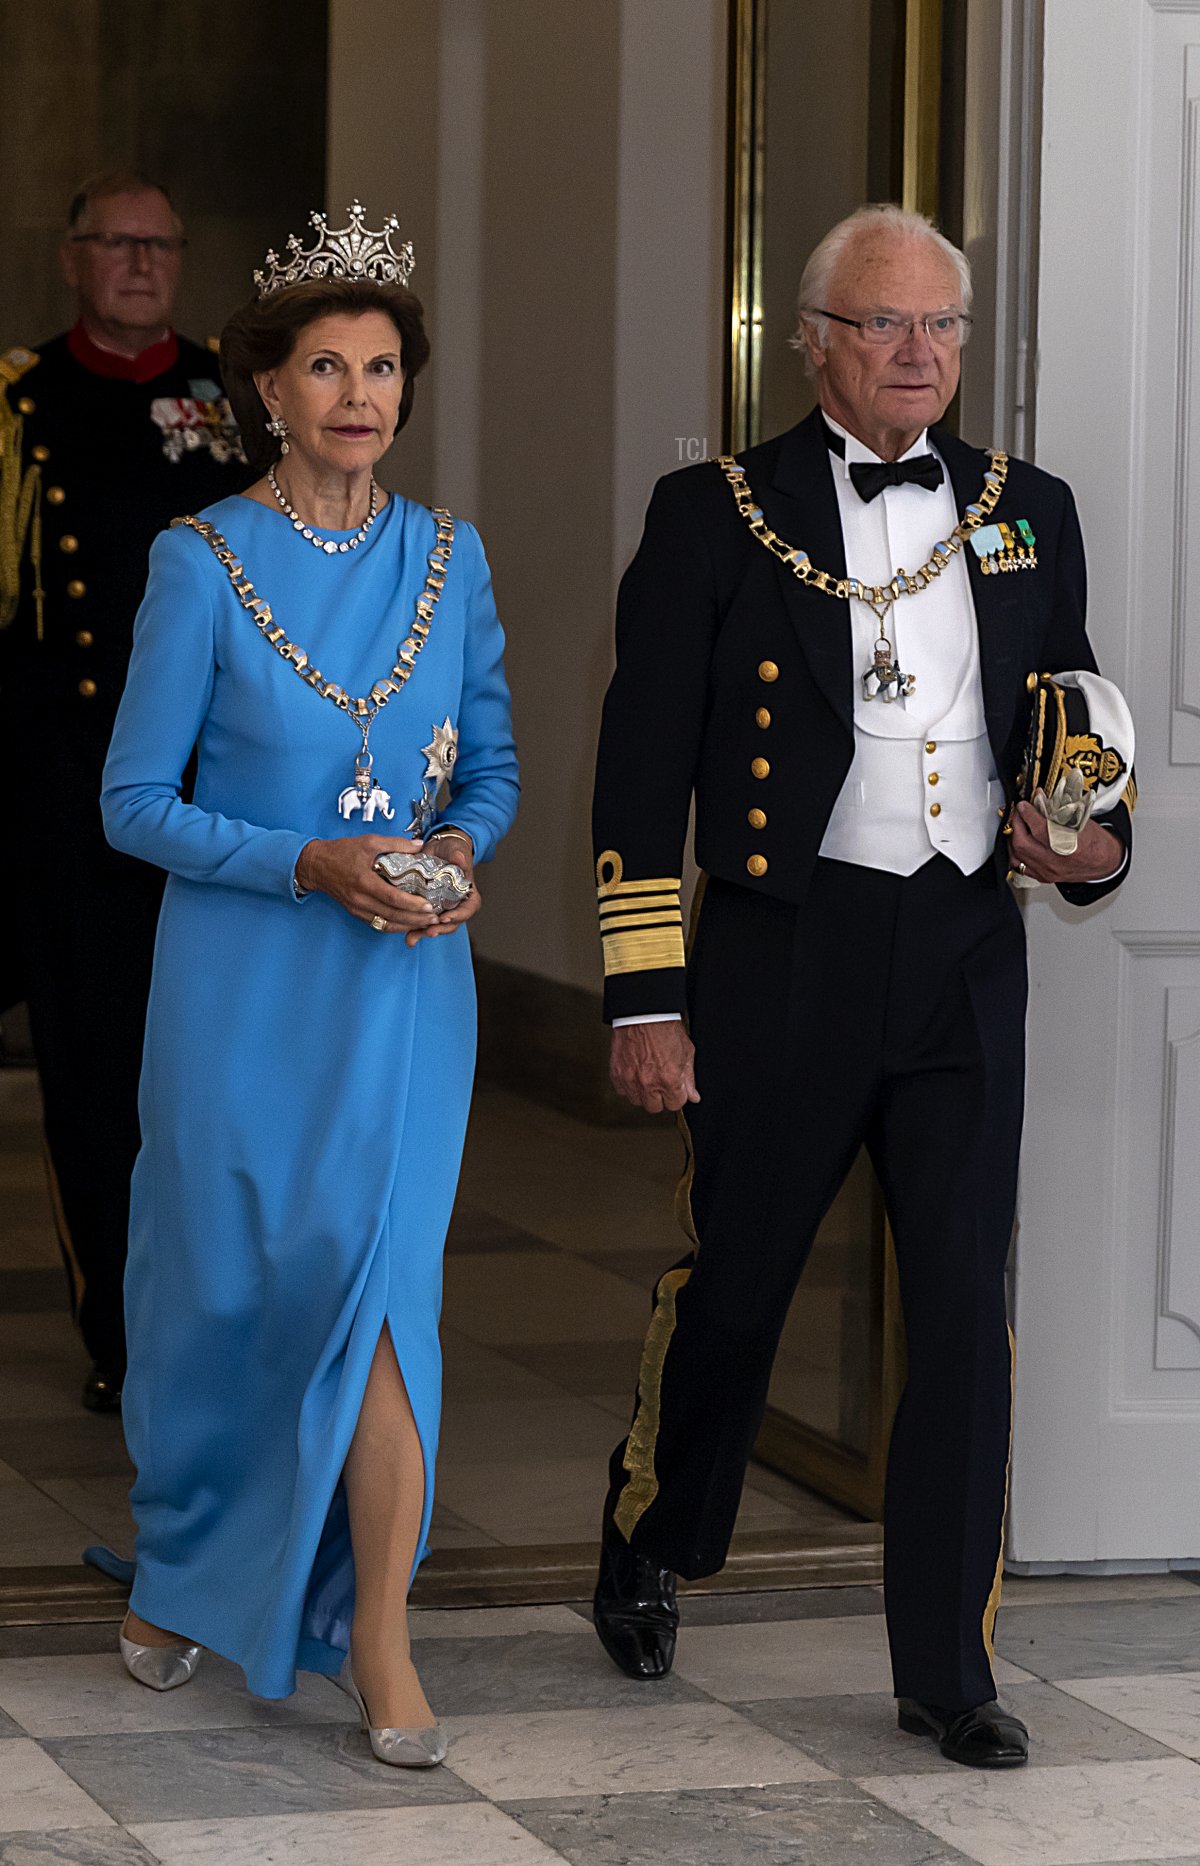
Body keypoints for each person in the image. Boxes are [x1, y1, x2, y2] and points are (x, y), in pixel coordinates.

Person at [589, 204, 1135, 1770]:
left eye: (943, 329)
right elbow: (641, 775)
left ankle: (947, 1661)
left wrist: (1090, 847)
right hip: (784, 947)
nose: (919, 355)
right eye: (885, 325)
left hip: (966, 948)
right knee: (741, 1281)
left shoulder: (1032, 509)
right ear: (813, 336)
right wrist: (644, 997)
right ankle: (657, 1527)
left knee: (966, 1306)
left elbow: (1076, 715)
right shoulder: (716, 512)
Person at [98, 201, 519, 1765]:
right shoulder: (197, 562)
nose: (361, 394)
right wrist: (304, 861)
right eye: (328, 366)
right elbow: (131, 804)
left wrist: (460, 854)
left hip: (406, 994)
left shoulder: (452, 556)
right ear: (265, 388)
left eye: (385, 366)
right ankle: (184, 1570)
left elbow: (489, 763)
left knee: (381, 1305)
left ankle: (383, 1638)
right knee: (224, 1309)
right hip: (243, 992)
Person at [0, 171, 249, 1412]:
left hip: (223, 792)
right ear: (73, 257)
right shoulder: (19, 403)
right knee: (96, 1075)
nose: (142, 262)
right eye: (118, 243)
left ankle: (213, 1311)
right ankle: (123, 1330)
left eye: (162, 242)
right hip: (73, 796)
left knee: (214, 1070)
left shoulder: (235, 396)